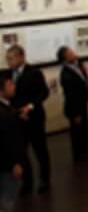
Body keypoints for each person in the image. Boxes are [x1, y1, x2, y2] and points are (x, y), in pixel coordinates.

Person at [6, 45, 50, 195]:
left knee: (40, 150)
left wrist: (30, 107)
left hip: (34, 118)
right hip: (17, 119)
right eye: (7, 59)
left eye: (11, 58)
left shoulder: (34, 72)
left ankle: (45, 180)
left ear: (21, 57)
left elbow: (44, 93)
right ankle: (27, 182)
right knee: (21, 152)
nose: (9, 62)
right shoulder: (7, 74)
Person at [58, 46, 88, 162]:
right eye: (70, 53)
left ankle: (86, 150)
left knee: (85, 129)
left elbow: (83, 79)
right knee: (77, 133)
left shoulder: (77, 64)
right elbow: (71, 96)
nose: (73, 53)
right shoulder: (66, 75)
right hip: (75, 108)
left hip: (84, 103)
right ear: (65, 59)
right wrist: (76, 114)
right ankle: (79, 155)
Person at [0, 75, 24, 212]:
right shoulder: (2, 113)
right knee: (7, 201)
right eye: (10, 85)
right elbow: (6, 141)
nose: (14, 87)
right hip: (7, 166)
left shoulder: (7, 106)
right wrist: (14, 164)